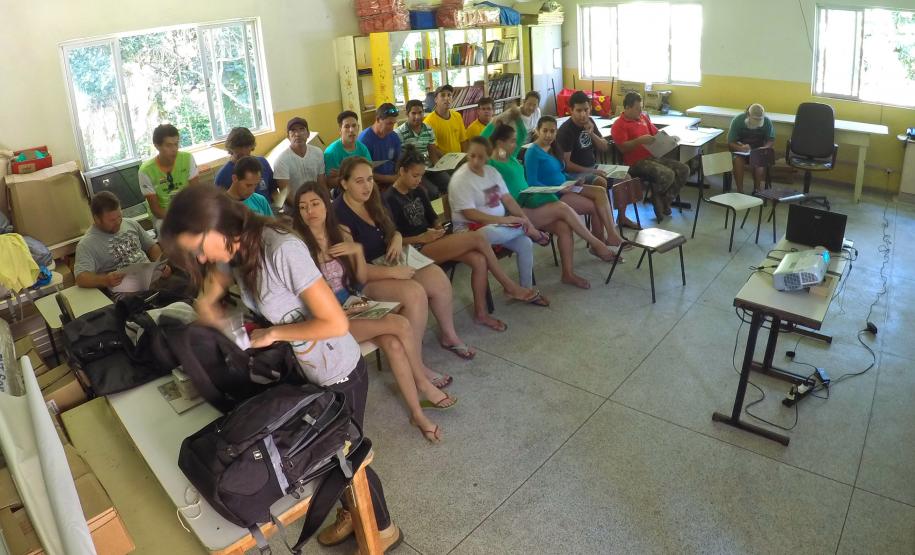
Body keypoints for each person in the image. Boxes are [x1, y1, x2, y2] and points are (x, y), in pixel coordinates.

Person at [158, 185, 402, 551]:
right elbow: (216, 296)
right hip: (304, 370)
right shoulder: (237, 248)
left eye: (198, 249)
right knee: (330, 454)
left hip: (337, 371)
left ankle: (381, 526)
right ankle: (354, 512)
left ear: (216, 225)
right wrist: (212, 306)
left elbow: (335, 323)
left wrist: (274, 333)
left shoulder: (280, 247)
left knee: (343, 455)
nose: (202, 259)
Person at [292, 182, 455, 442]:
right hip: (330, 318)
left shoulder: (341, 232)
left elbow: (358, 279)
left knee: (393, 342)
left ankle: (417, 413)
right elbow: (304, 297)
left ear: (325, 204)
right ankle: (422, 383)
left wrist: (356, 251)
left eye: (315, 204)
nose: (309, 211)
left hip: (352, 303)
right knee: (400, 325)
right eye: (302, 207)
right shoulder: (299, 246)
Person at [334, 156, 476, 366]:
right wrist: (394, 273)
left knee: (437, 278)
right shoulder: (338, 214)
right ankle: (414, 360)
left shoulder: (374, 197)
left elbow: (393, 229)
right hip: (365, 278)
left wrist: (397, 239)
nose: (367, 186)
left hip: (390, 260)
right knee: (414, 294)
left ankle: (449, 335)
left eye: (370, 179)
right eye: (359, 181)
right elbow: (356, 271)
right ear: (344, 183)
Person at [384, 145, 544, 330]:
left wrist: (438, 228)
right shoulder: (389, 199)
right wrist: (421, 237)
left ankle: (481, 314)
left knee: (479, 260)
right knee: (477, 238)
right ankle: (509, 286)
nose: (419, 180)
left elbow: (433, 218)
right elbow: (392, 241)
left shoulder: (419, 191)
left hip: (432, 241)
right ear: (401, 171)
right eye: (415, 175)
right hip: (414, 250)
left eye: (421, 175)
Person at [488, 123, 622, 289]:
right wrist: (496, 121)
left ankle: (568, 274)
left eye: (515, 141)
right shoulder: (492, 164)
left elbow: (522, 131)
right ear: (500, 142)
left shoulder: (512, 157)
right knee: (562, 208)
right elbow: (485, 139)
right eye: (511, 142)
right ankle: (597, 243)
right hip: (516, 211)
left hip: (530, 201)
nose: (516, 145)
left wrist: (517, 113)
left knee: (563, 227)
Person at [448, 136, 550, 304]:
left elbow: (508, 199)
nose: (475, 160)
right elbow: (470, 214)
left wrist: (523, 220)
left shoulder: (492, 172)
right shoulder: (460, 179)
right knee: (499, 231)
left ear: (488, 156)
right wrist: (509, 221)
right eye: (472, 155)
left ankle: (526, 288)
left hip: (497, 227)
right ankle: (531, 231)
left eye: (481, 157)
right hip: (470, 232)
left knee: (525, 243)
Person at [526, 116, 627, 249]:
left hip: (567, 187)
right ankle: (600, 243)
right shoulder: (532, 152)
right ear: (538, 131)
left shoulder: (553, 148)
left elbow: (561, 172)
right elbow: (532, 183)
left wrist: (574, 180)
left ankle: (611, 234)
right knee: (595, 206)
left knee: (600, 191)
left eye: (552, 131)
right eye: (545, 131)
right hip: (553, 194)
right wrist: (558, 189)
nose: (549, 135)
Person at [557, 91, 639, 230]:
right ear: (571, 110)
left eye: (586, 110)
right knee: (600, 182)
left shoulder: (590, 122)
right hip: (575, 174)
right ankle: (606, 225)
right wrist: (592, 171)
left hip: (593, 167)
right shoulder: (566, 130)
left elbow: (604, 147)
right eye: (578, 110)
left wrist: (592, 133)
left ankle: (622, 217)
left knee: (626, 177)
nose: (583, 114)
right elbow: (567, 165)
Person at [610, 92, 690, 221]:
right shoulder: (619, 125)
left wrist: (669, 140)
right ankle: (657, 197)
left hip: (651, 157)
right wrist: (639, 141)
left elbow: (656, 134)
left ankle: (664, 199)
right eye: (637, 108)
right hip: (635, 163)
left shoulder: (642, 118)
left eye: (641, 107)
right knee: (668, 174)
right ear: (627, 108)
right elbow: (622, 148)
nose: (640, 111)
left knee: (684, 169)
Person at [75, 191, 172, 290]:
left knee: (183, 279)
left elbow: (152, 246)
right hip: (126, 289)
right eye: (112, 220)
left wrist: (160, 266)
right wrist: (105, 280)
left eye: (119, 216)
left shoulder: (131, 224)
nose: (118, 222)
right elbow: (81, 277)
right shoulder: (86, 244)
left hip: (151, 276)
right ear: (97, 219)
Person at [138, 124, 199, 228]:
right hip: (163, 216)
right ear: (157, 146)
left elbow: (196, 194)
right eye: (169, 145)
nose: (174, 149)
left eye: (176, 144)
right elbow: (156, 210)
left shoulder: (187, 158)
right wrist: (179, 220)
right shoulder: (145, 171)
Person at [395, 99, 449, 199]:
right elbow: (401, 160)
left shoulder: (428, 129)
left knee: (448, 182)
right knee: (432, 192)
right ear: (407, 114)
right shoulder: (399, 133)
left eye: (420, 113)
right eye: (413, 113)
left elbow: (432, 154)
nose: (418, 117)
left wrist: (439, 168)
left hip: (429, 168)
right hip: (414, 172)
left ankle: (445, 210)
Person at [214, 127, 277, 204]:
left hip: (269, 209)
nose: (243, 151)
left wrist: (279, 208)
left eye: (247, 146)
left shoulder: (262, 163)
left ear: (252, 146)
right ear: (231, 148)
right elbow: (221, 206)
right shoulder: (223, 175)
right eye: (239, 147)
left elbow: (274, 191)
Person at [273, 117, 326, 207]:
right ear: (288, 137)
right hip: (294, 207)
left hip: (316, 203)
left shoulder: (318, 152)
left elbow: (321, 183)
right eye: (293, 131)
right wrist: (302, 209)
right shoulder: (281, 160)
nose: (297, 134)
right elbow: (285, 194)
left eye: (302, 129)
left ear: (308, 134)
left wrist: (326, 202)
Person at [728, 103, 775, 193]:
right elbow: (730, 142)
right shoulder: (738, 120)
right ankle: (740, 191)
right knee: (738, 161)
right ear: (748, 115)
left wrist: (764, 148)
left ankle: (757, 190)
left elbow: (771, 140)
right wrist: (740, 148)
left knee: (759, 164)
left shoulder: (767, 122)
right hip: (741, 152)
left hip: (758, 152)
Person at [325, 111, 372, 190]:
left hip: (363, 188)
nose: (351, 130)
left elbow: (369, 171)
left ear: (358, 127)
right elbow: (330, 182)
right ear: (340, 130)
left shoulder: (363, 148)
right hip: (341, 191)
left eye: (354, 126)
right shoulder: (331, 152)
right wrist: (357, 175)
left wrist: (343, 174)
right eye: (346, 126)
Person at [358, 103, 402, 188]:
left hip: (393, 180)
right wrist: (389, 179)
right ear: (378, 119)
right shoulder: (364, 140)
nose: (392, 127)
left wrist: (398, 173)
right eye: (389, 123)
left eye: (393, 123)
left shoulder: (394, 136)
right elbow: (363, 172)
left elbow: (398, 161)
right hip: (373, 184)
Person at [423, 85, 466, 154]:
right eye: (443, 95)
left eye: (449, 95)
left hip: (459, 160)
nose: (447, 98)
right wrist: (450, 159)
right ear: (436, 100)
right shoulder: (428, 122)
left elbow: (463, 141)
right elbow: (433, 149)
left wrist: (465, 159)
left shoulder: (457, 116)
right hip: (443, 162)